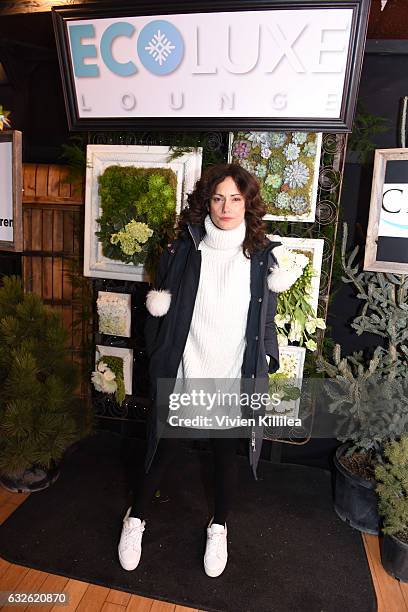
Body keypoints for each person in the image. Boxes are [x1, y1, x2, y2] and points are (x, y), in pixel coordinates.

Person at [117, 163, 296, 577]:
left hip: (231, 374)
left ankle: (219, 527)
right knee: (161, 451)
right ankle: (136, 518)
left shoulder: (263, 257)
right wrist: (160, 352)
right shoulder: (182, 250)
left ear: (247, 203)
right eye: (218, 198)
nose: (226, 207)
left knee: (223, 457)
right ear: (207, 202)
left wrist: (266, 357)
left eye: (235, 198)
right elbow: (157, 306)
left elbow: (265, 319)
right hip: (187, 368)